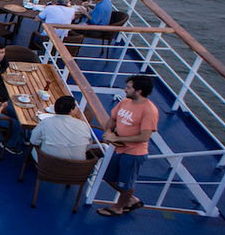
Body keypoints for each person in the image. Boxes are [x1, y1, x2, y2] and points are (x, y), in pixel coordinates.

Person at [97, 75, 158, 217]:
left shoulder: (149, 111)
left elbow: (144, 136)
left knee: (126, 183)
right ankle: (131, 200)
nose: (125, 89)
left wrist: (116, 137)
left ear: (139, 91)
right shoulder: (125, 102)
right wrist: (107, 132)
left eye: (129, 87)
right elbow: (113, 118)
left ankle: (119, 207)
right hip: (118, 147)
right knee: (108, 176)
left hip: (133, 153)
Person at [29, 95, 93, 160]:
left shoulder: (45, 122)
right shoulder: (84, 125)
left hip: (48, 164)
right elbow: (87, 146)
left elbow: (33, 141)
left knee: (34, 149)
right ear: (71, 110)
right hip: (76, 167)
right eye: (76, 106)